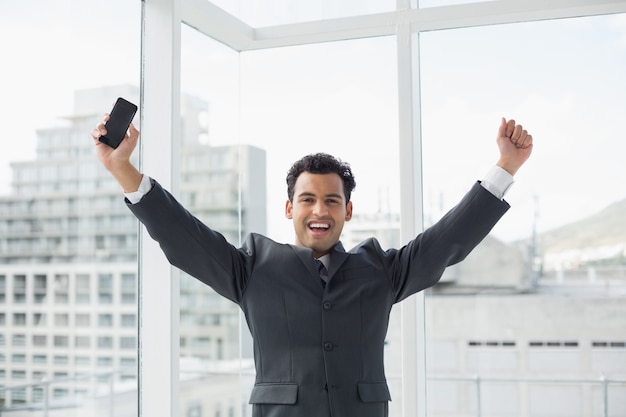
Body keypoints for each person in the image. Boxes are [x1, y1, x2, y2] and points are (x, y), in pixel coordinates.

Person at [91, 116, 533, 417]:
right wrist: (124, 169)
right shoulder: (252, 268)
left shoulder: (381, 269)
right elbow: (183, 236)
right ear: (289, 208)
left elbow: (446, 241)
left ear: (348, 211)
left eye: (331, 200)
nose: (319, 209)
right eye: (307, 199)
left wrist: (505, 167)